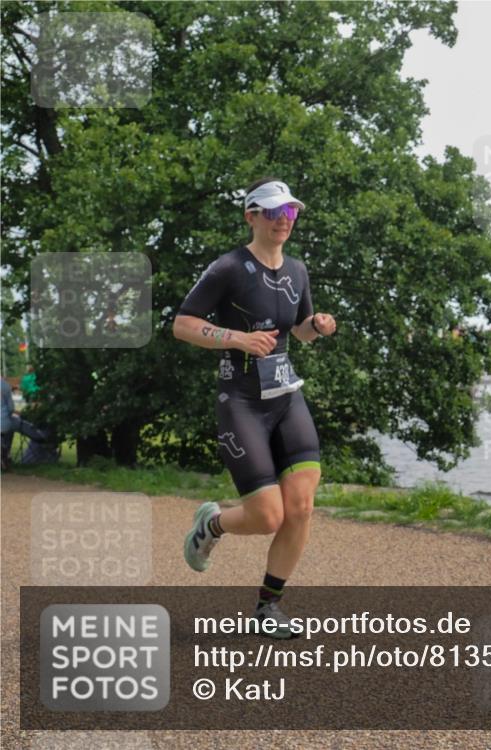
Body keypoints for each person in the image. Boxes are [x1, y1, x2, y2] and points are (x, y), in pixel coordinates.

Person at [173, 178, 336, 639]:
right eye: (272, 213)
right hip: (241, 400)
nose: (283, 221)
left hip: (286, 397)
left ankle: (269, 607)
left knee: (300, 507)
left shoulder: (298, 271)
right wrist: (237, 338)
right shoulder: (228, 268)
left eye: (290, 214)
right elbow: (182, 325)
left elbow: (297, 332)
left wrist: (317, 326)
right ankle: (212, 523)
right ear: (250, 216)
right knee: (268, 516)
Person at [1, 377, 48, 470]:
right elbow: (10, 408)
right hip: (5, 422)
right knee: (15, 423)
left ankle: (5, 453)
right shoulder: (4, 386)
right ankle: (39, 437)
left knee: (9, 429)